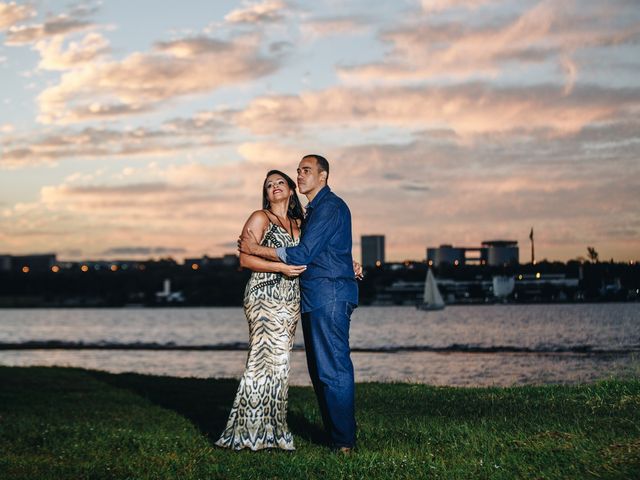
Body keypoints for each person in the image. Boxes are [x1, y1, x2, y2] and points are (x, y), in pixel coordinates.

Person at [239, 154, 360, 453]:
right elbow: (326, 249)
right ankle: (337, 436)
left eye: (306, 171)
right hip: (313, 297)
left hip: (328, 296)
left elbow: (303, 253)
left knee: (332, 369)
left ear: (323, 177)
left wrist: (257, 248)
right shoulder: (314, 212)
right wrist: (348, 262)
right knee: (321, 371)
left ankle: (344, 442)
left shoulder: (329, 207)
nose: (300, 175)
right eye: (299, 171)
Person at [215, 170, 306, 451]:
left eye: (280, 183)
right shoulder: (260, 217)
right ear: (265, 193)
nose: (275, 187)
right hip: (263, 296)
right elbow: (244, 258)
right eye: (269, 185)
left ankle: (274, 432)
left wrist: (350, 264)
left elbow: (319, 254)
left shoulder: (301, 224)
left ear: (291, 189)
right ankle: (247, 433)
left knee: (280, 365)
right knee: (260, 360)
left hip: (291, 299)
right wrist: (280, 267)